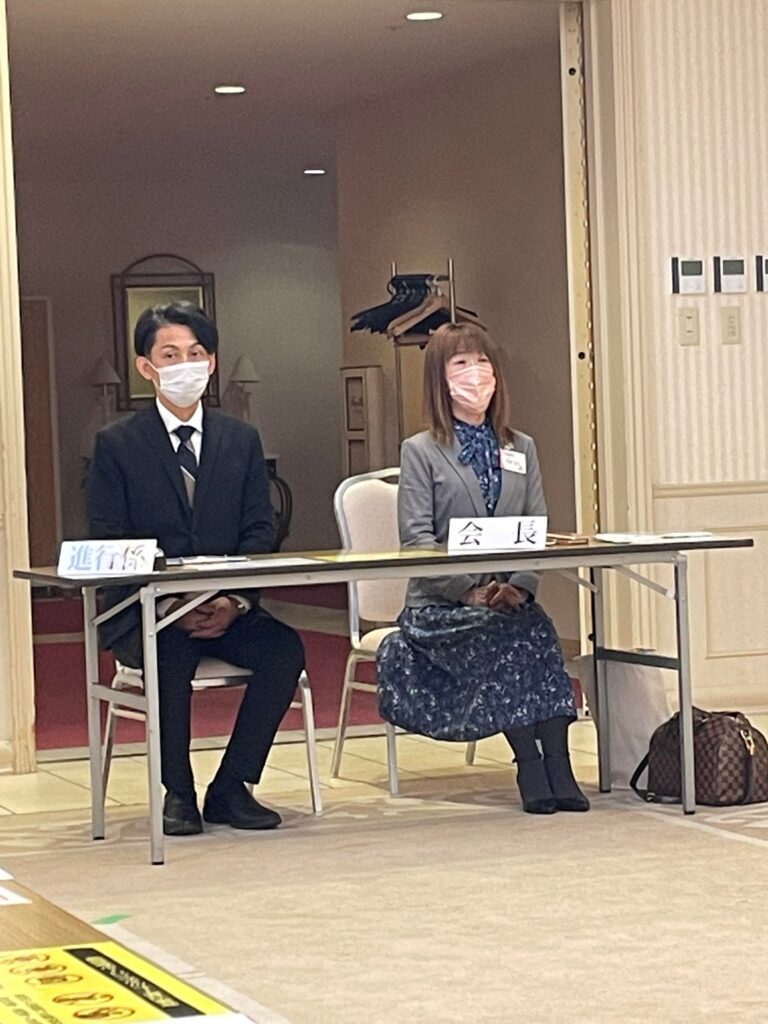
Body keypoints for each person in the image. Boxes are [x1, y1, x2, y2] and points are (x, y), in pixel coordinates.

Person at [87, 302, 304, 836]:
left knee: (284, 650)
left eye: (196, 353)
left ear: (211, 363)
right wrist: (169, 603)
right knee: (170, 653)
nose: (185, 364)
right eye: (170, 355)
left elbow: (259, 530)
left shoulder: (241, 439)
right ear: (146, 367)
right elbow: (111, 539)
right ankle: (178, 793)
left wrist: (234, 601)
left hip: (226, 605)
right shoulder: (116, 445)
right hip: (149, 610)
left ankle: (231, 787)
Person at [376, 322, 589, 815]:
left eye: (483, 362)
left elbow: (535, 526)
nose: (475, 374)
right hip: (441, 608)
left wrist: (521, 587)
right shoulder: (421, 451)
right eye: (461, 364)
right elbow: (417, 541)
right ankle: (530, 764)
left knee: (537, 630)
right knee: (510, 638)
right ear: (440, 379)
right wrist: (467, 591)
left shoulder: (521, 447)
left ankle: (559, 764)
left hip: (509, 600)